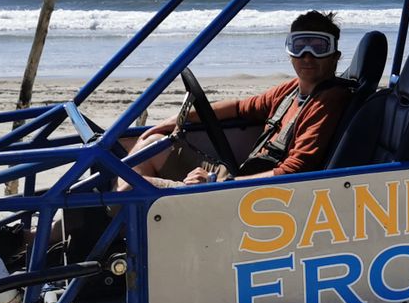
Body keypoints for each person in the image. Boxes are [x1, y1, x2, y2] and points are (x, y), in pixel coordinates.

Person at [124, 10, 350, 187]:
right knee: (151, 145)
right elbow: (241, 108)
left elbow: (294, 172)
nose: (307, 56)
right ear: (290, 53)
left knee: (130, 187)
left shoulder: (327, 101)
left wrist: (218, 183)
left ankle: (130, 240)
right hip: (242, 176)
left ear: (335, 56)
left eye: (319, 47)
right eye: (299, 46)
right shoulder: (291, 89)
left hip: (252, 192)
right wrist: (177, 119)